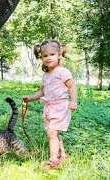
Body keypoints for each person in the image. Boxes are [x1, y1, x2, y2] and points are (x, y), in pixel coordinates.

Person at [22, 39, 78, 169]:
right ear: (41, 57)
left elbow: (72, 87)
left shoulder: (63, 72)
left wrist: (73, 101)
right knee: (54, 133)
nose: (48, 58)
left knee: (52, 133)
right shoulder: (46, 75)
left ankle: (53, 160)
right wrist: (30, 98)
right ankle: (63, 156)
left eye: (52, 54)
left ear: (59, 54)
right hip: (49, 108)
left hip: (61, 107)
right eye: (45, 55)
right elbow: (42, 92)